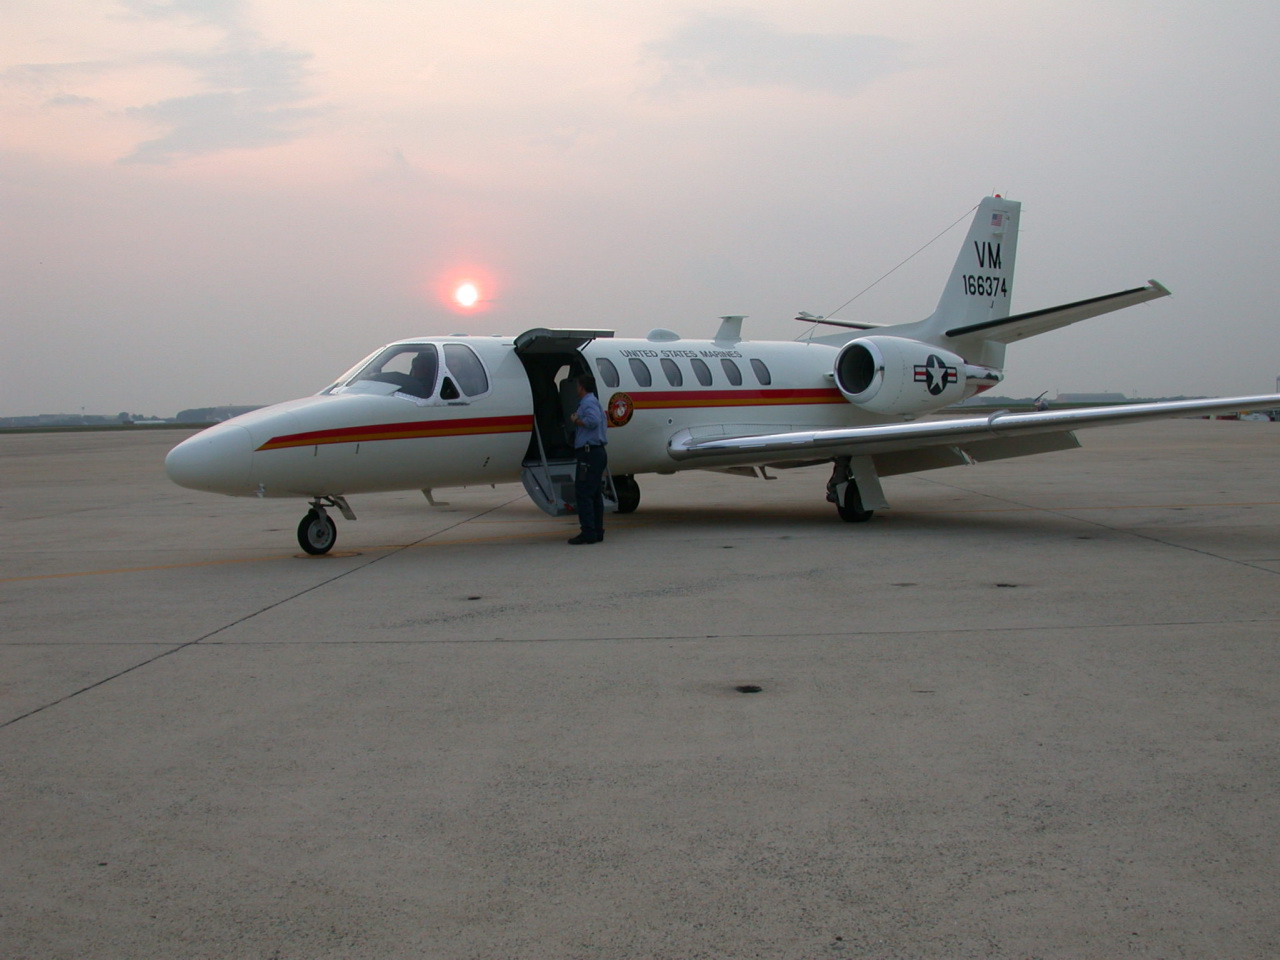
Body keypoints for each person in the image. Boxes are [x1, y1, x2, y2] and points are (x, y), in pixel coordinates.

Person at [568, 373, 607, 544]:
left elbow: (593, 421)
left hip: (589, 453)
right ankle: (597, 531)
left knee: (583, 493)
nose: (576, 389)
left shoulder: (588, 402)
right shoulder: (594, 400)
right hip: (596, 453)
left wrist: (577, 421)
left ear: (582, 387)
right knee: (594, 494)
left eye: (577, 386)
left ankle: (588, 532)